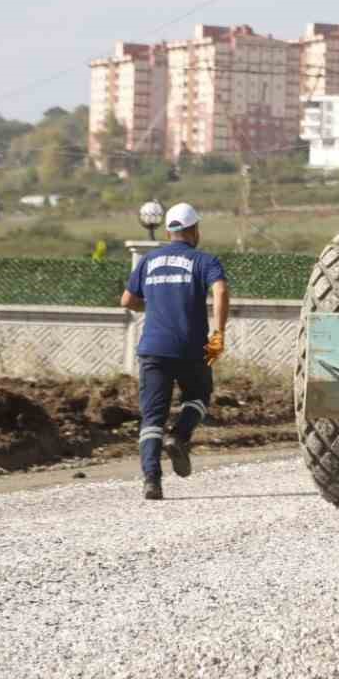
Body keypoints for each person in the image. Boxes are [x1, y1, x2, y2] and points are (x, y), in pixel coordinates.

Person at [119, 202, 229, 501]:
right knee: (200, 396)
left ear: (169, 231)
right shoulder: (205, 260)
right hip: (192, 348)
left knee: (151, 417)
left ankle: (152, 481)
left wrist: (151, 304)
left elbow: (127, 300)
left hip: (152, 349)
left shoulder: (148, 261)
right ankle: (179, 436)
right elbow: (219, 291)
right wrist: (218, 334)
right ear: (195, 230)